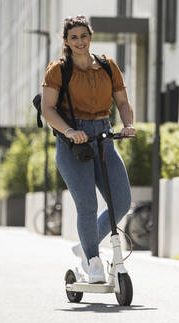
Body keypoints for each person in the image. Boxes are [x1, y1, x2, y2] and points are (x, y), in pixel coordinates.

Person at [41, 15, 135, 283]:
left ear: (90, 37)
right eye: (74, 37)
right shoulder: (58, 70)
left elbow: (122, 101)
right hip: (73, 142)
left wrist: (128, 124)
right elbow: (48, 108)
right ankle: (93, 261)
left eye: (84, 36)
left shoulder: (107, 66)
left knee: (122, 201)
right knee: (87, 205)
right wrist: (70, 132)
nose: (80, 41)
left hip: (103, 136)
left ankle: (86, 244)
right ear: (67, 42)